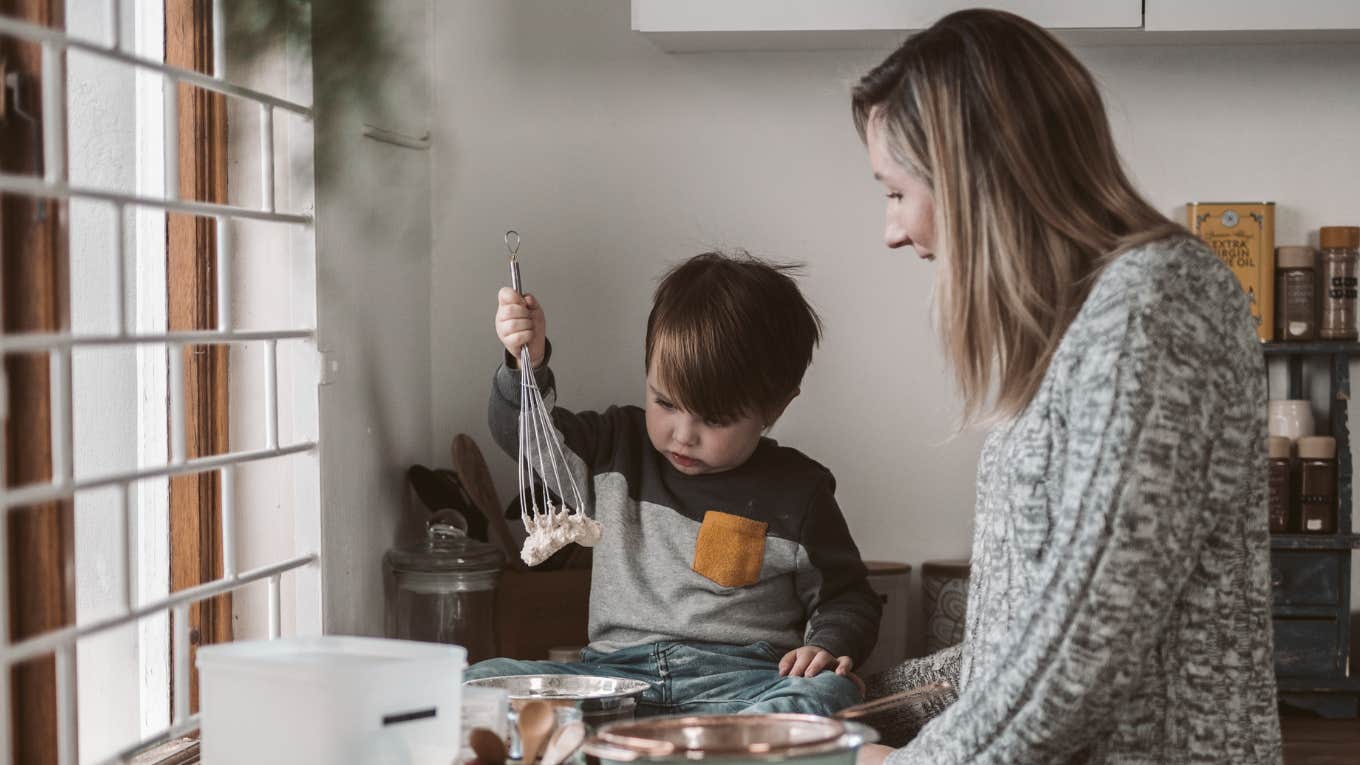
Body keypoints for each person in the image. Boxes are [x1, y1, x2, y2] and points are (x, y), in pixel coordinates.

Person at [849, 9, 1281, 764]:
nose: (891, 230)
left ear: (969, 176)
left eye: (894, 191)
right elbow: (1023, 640)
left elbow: (1085, 644)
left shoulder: (1156, 302)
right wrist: (852, 705)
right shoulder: (1086, 329)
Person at [465, 251, 881, 716]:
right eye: (665, 403)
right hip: (613, 684)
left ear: (775, 408)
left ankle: (725, 746)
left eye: (715, 419)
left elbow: (848, 597)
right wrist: (527, 363)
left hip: (738, 690)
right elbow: (526, 435)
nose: (682, 434)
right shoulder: (612, 448)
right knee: (474, 681)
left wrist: (827, 645)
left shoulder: (799, 492)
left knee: (830, 691)